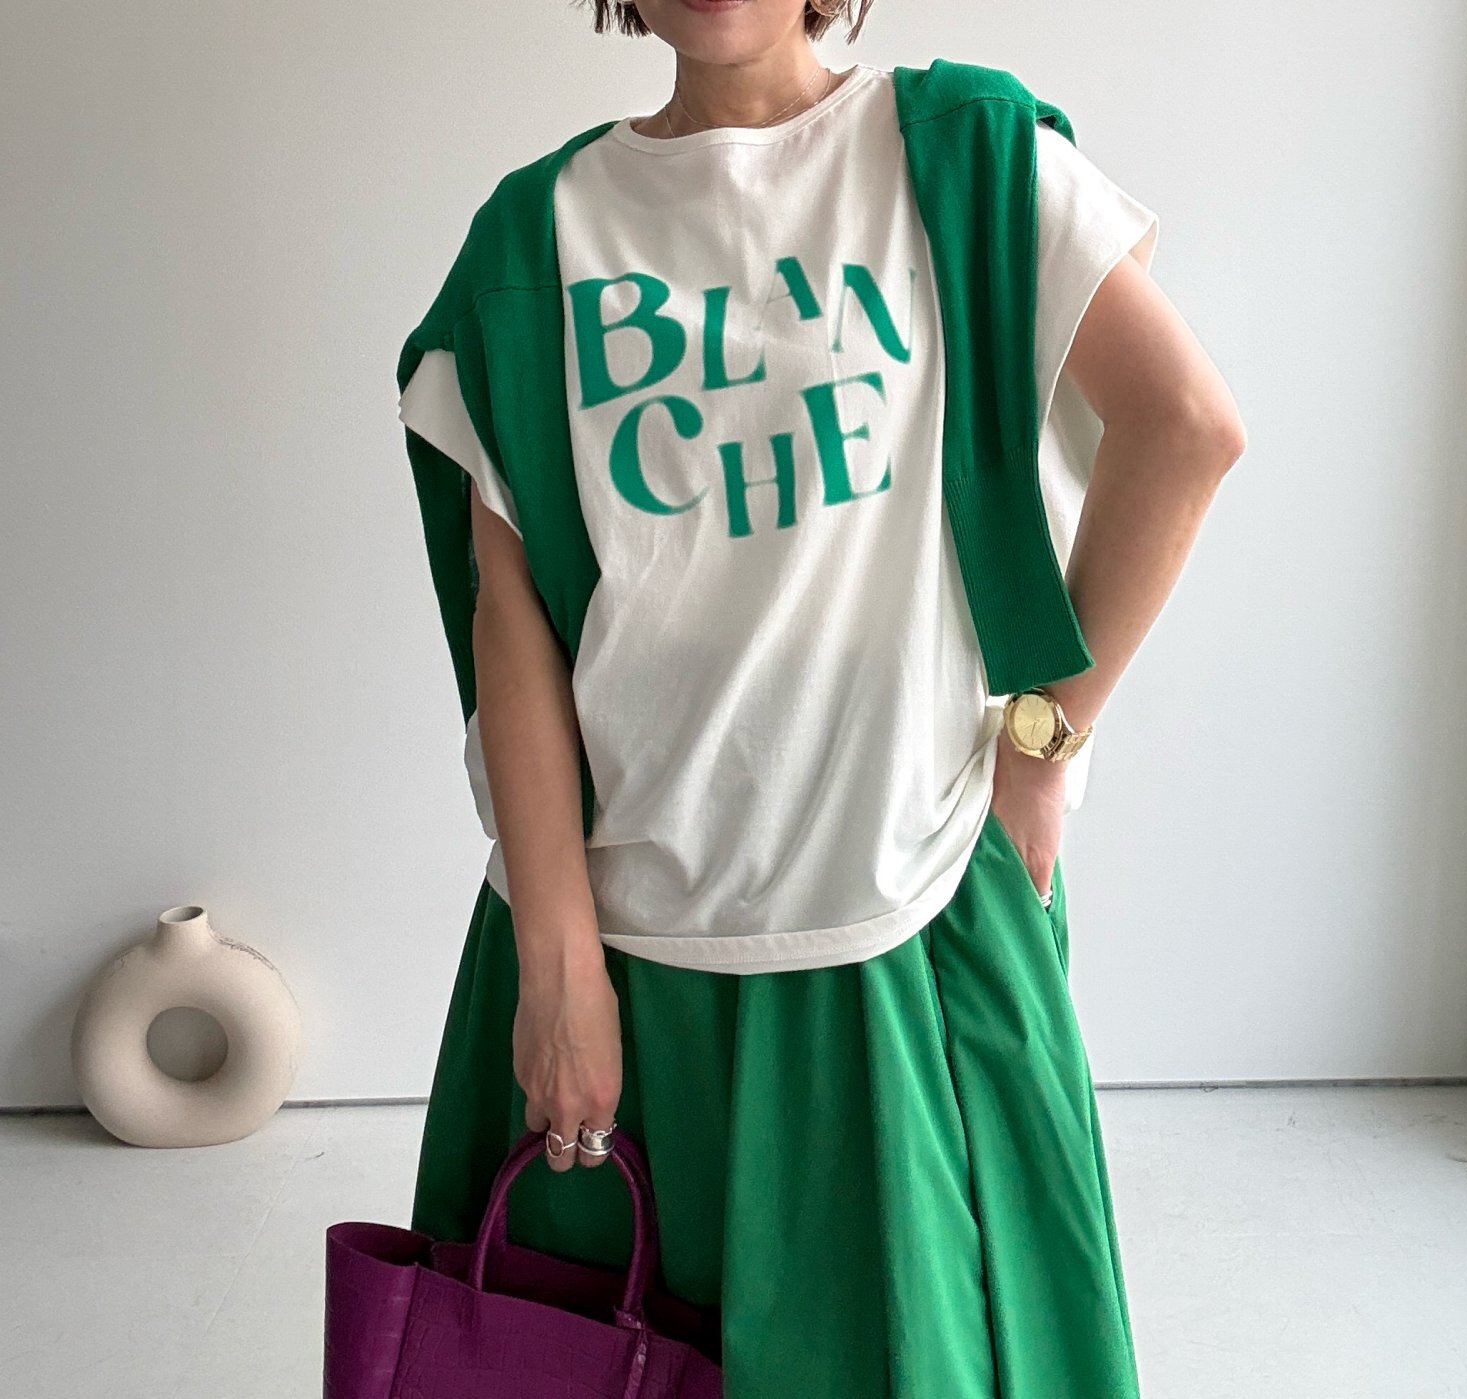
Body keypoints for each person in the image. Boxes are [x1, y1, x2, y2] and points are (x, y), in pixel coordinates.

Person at [395, 1, 1246, 1394]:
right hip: (623, 948)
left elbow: (1188, 430)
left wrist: (1046, 742)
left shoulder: (958, 153)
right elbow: (516, 623)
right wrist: (557, 964)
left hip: (899, 924)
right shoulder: (533, 237)